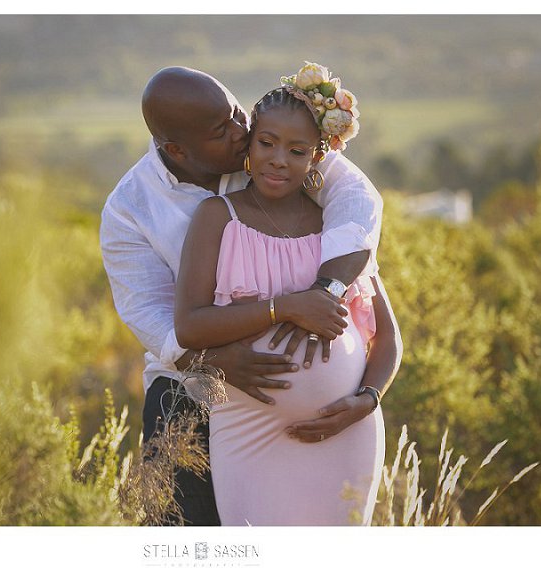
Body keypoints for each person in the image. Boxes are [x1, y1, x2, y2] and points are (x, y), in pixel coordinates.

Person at [100, 64, 401, 525]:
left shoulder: (273, 147)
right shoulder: (129, 209)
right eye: (222, 130)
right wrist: (212, 362)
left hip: (329, 437)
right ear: (178, 149)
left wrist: (326, 291)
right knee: (188, 539)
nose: (240, 132)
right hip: (188, 389)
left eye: (237, 114)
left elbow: (358, 201)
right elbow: (147, 311)